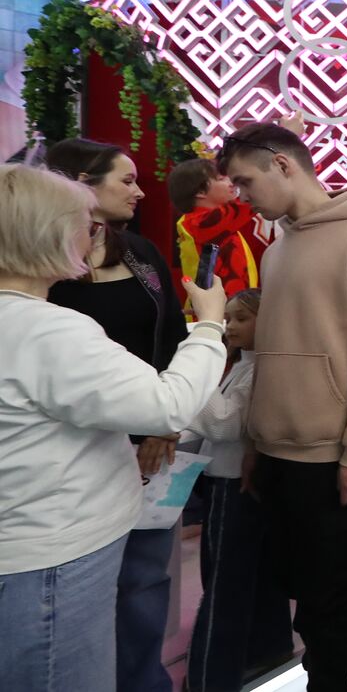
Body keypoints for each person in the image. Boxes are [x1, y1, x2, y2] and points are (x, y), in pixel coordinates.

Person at [0, 163, 227, 692]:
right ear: (52, 233)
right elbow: (166, 404)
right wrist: (211, 326)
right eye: (85, 222)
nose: (93, 232)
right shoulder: (48, 330)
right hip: (51, 554)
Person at [218, 122, 347, 692]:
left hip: (333, 457)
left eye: (245, 181)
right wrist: (255, 442)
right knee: (297, 588)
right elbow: (269, 355)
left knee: (326, 603)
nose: (241, 195)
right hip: (277, 450)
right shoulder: (278, 249)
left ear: (282, 163)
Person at [45, 138, 193, 692]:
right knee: (72, 588)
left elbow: (173, 336)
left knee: (143, 582)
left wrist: (163, 421)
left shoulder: (141, 253)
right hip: (71, 449)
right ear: (81, 182)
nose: (139, 190)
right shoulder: (42, 263)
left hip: (150, 445)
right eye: (125, 180)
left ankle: (142, 682)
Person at [184, 289, 293, 692]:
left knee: (224, 585)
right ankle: (269, 650)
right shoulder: (245, 366)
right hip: (231, 480)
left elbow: (226, 424)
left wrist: (195, 374)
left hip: (233, 485)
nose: (230, 327)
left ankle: (210, 677)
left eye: (240, 319)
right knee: (258, 576)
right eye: (227, 318)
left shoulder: (259, 368)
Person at [168, 113, 303, 295]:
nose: (233, 183)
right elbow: (259, 195)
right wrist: (286, 139)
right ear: (200, 192)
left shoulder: (213, 223)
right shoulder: (199, 223)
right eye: (222, 178)